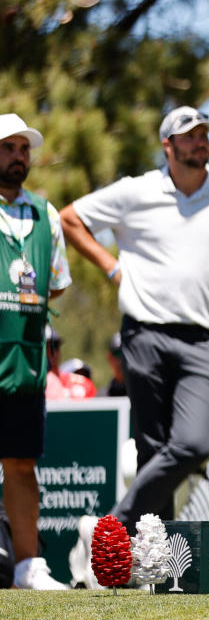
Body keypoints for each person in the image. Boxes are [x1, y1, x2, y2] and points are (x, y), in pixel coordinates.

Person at [59, 106, 209, 577]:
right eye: (189, 137)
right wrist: (113, 269)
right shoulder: (136, 192)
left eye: (205, 135)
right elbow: (70, 219)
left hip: (200, 343)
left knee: (191, 444)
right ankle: (152, 568)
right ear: (167, 146)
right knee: (153, 452)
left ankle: (109, 526)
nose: (200, 142)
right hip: (144, 335)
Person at [0, 113, 72, 589]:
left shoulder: (46, 214)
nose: (19, 157)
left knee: (22, 463)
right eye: (9, 147)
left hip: (26, 362)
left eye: (24, 149)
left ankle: (29, 567)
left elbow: (58, 284)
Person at [102, 332, 126, 397]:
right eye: (118, 353)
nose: (122, 359)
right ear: (109, 357)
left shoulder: (148, 394)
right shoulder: (100, 398)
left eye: (127, 353)